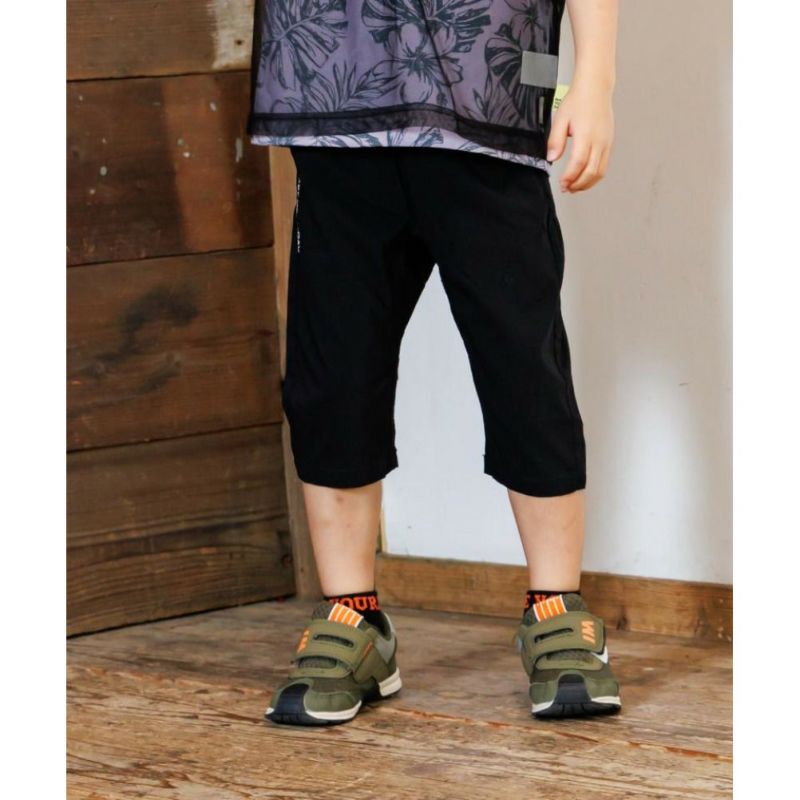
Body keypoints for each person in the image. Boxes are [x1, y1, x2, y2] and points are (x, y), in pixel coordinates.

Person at [248, 0, 621, 725]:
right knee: (333, 371)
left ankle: (556, 606)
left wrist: (595, 78)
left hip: (490, 92)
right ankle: (352, 615)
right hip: (334, 96)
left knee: (523, 366)